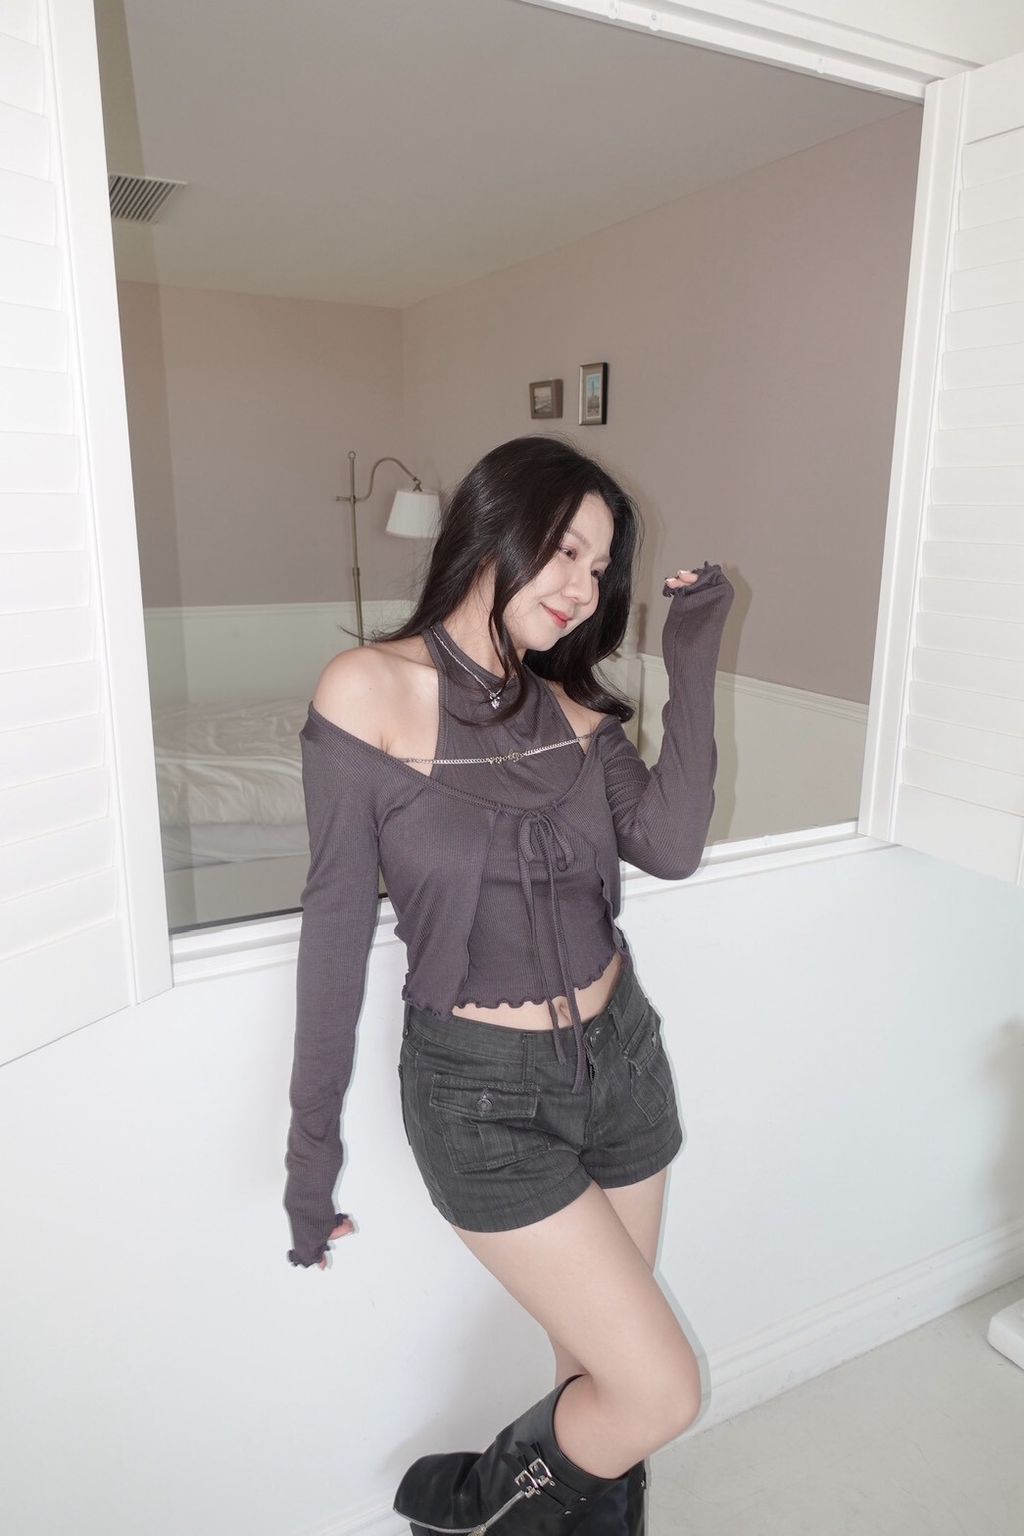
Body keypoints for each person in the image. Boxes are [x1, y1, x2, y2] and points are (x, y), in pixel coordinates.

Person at [283, 434, 734, 1535]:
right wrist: (310, 1158)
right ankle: (474, 1503)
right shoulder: (366, 689)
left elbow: (672, 847)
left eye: (601, 567)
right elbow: (334, 930)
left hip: (622, 1066)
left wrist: (690, 659)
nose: (582, 587)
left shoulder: (576, 715)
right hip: (480, 1097)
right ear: (492, 529)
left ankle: (523, 1512)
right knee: (659, 1391)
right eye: (565, 551)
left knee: (601, 1372)